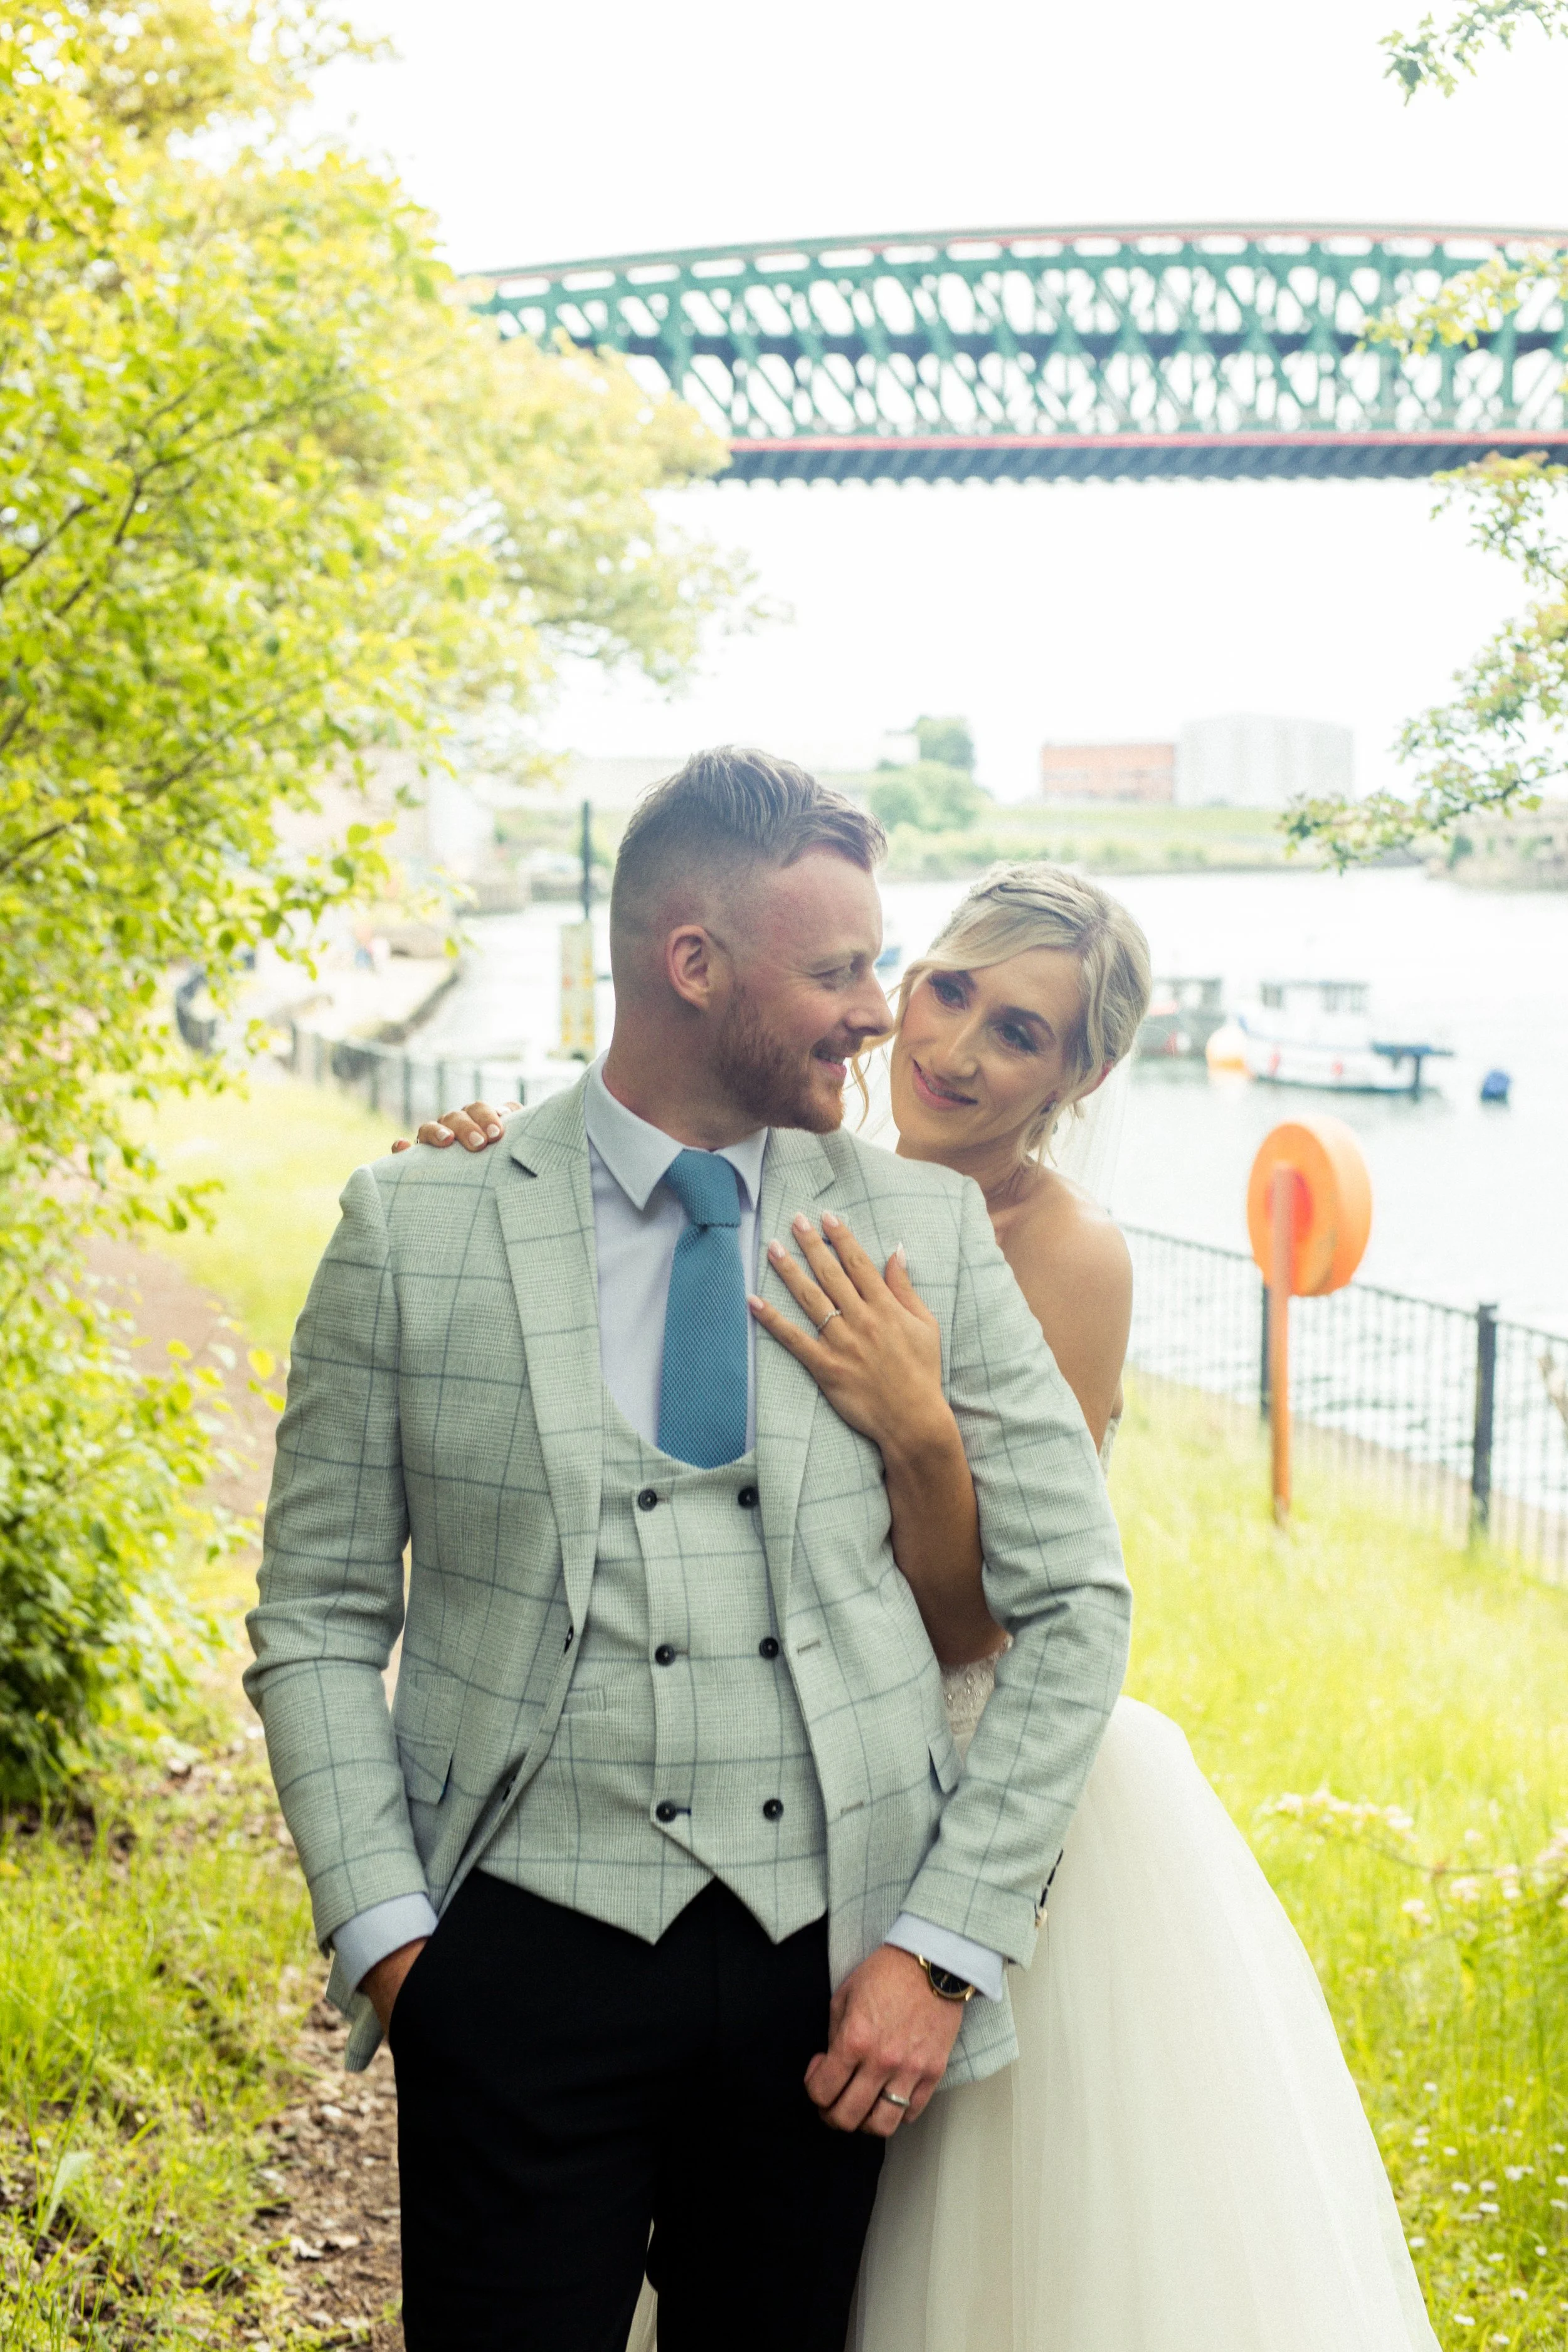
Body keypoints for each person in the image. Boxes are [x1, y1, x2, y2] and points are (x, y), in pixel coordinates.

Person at [426, 860, 1440, 2352]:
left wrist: (917, 1427)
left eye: (1018, 1033)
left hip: (968, 1770)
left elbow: (983, 1630)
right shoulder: (784, 1148)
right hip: (748, 1783)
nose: (954, 1049)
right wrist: (487, 1150)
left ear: (1079, 1073)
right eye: (947, 990)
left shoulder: (1063, 1256)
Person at [246, 751, 1131, 2352]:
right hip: (510, 1960)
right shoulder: (414, 1222)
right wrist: (391, 1945)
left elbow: (1070, 1604)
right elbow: (313, 1614)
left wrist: (936, 1957)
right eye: (841, 971)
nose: (878, 1016)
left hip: (831, 1981)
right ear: (691, 962)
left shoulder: (924, 1233)